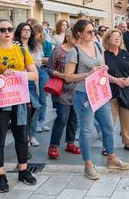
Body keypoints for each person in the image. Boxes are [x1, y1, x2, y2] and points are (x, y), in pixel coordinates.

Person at [65, 19, 129, 180]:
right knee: (86, 131)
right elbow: (68, 77)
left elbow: (101, 70)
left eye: (94, 31)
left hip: (100, 92)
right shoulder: (75, 52)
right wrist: (88, 73)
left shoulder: (97, 46)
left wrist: (112, 77)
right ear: (79, 34)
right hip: (84, 95)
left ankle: (112, 158)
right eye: (89, 32)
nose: (93, 34)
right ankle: (88, 164)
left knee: (108, 126)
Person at [0, 19, 38, 192]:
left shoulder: (21, 50)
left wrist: (17, 73)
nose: (7, 32)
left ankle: (23, 170)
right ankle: (0, 174)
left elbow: (34, 74)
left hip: (19, 100)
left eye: (10, 29)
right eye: (2, 29)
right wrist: (3, 77)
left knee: (22, 136)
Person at [103, 29, 129, 153]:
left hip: (126, 90)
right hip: (111, 92)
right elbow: (101, 73)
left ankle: (127, 143)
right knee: (109, 122)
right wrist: (116, 80)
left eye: (119, 37)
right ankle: (107, 146)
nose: (117, 39)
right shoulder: (104, 55)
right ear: (108, 39)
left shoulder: (124, 53)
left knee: (126, 121)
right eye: (114, 36)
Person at [47, 28, 80, 159]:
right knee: (62, 117)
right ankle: (53, 146)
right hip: (61, 89)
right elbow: (49, 69)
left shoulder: (79, 51)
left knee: (74, 117)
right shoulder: (58, 50)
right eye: (75, 35)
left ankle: (70, 143)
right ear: (68, 35)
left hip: (77, 89)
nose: (77, 37)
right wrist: (63, 75)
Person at [14, 23, 43, 147]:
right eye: (24, 30)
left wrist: (27, 67)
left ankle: (32, 135)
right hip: (17, 82)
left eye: (29, 30)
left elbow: (38, 63)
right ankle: (24, 136)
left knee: (35, 108)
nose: (27, 32)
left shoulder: (34, 46)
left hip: (31, 81)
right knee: (22, 111)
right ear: (19, 31)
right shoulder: (14, 45)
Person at [33, 24, 53, 133]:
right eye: (35, 32)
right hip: (32, 71)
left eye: (38, 32)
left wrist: (37, 59)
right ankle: (35, 123)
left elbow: (49, 59)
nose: (37, 34)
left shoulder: (47, 44)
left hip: (44, 70)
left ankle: (42, 121)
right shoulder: (30, 44)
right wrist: (41, 59)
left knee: (43, 98)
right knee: (34, 98)